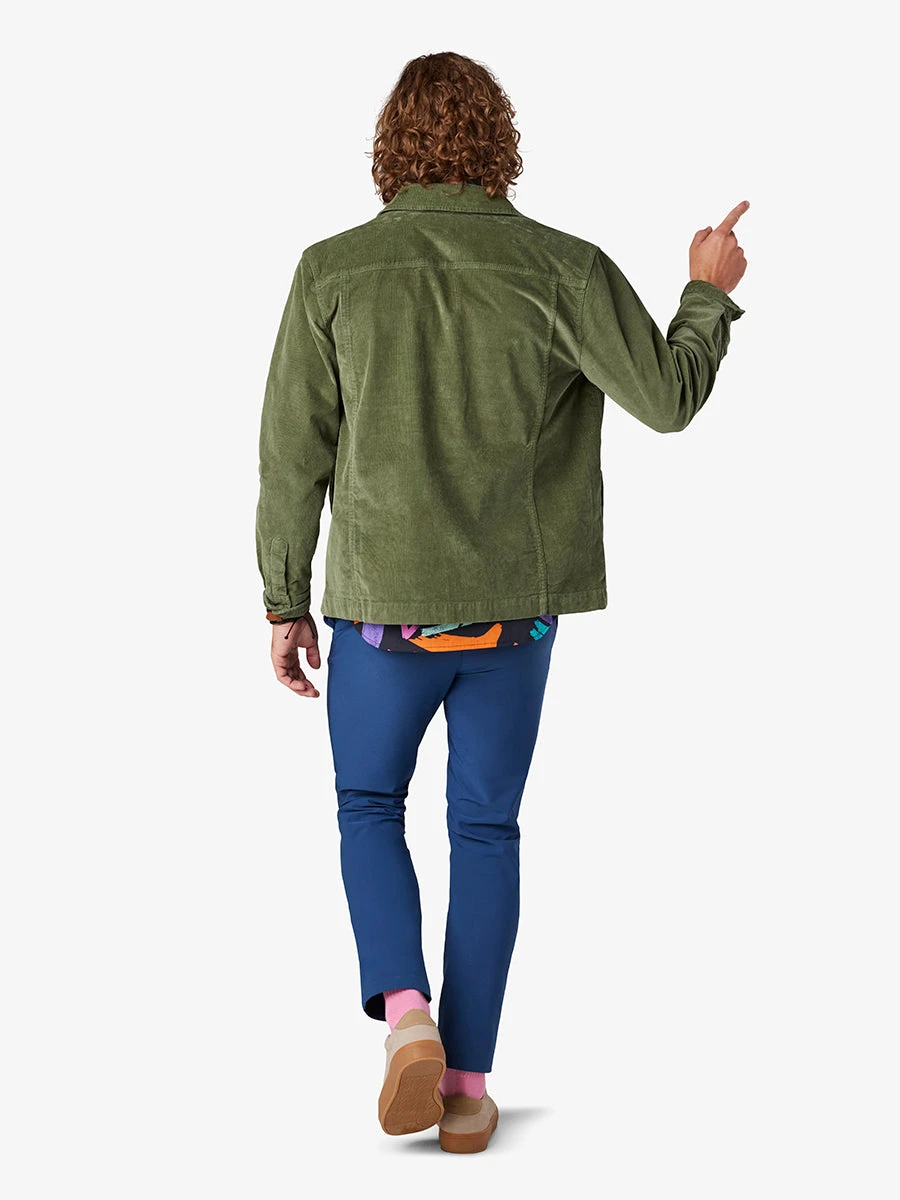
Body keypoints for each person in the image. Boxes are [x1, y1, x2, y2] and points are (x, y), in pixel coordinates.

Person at [255, 50, 748, 1153]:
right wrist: (707, 291)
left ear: (390, 147)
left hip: (382, 616)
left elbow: (291, 457)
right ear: (500, 144)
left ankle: (407, 1015)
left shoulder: (331, 272)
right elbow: (669, 399)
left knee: (369, 808)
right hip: (511, 619)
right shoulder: (562, 268)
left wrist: (285, 602)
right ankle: (467, 1090)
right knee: (485, 829)